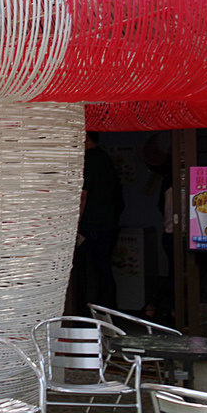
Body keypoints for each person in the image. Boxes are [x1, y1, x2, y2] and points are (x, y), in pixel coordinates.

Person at [72, 131, 124, 316]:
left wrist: (75, 223)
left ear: (85, 137)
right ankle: (108, 312)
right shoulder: (105, 158)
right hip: (107, 223)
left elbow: (83, 195)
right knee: (103, 268)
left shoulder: (90, 160)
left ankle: (82, 314)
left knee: (80, 269)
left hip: (92, 225)